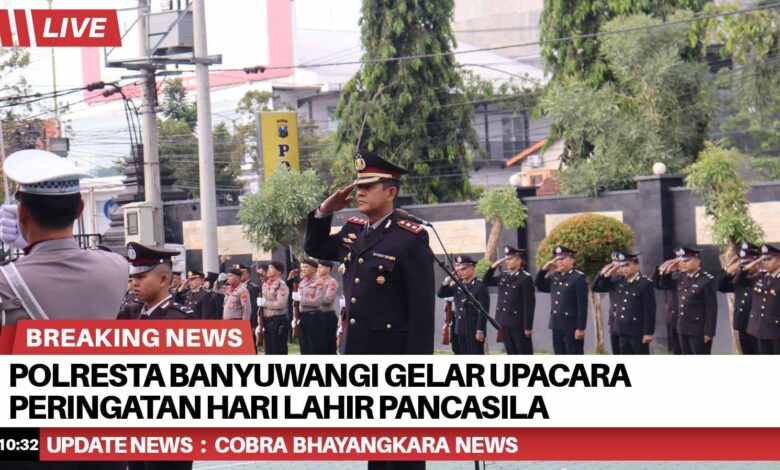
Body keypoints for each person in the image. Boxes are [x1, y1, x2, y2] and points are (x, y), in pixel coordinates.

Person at [304, 149, 435, 356]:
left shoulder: (410, 238)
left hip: (389, 351)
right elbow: (315, 247)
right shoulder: (353, 230)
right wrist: (324, 210)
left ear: (390, 193)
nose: (359, 193)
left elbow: (422, 313)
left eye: (368, 187)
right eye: (358, 187)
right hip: (352, 348)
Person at [0, 149, 128, 327]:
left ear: (21, 212)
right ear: (80, 209)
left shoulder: (5, 282)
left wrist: (28, 247)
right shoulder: (117, 266)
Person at [654, 247, 717, 355]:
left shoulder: (706, 280)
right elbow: (663, 284)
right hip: (683, 327)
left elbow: (711, 309)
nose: (683, 263)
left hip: (698, 329)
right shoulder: (681, 277)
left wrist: (709, 332)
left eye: (687, 260)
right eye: (681, 261)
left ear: (697, 261)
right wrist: (668, 271)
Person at [592, 251, 656, 354]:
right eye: (622, 266)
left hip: (637, 331)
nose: (624, 269)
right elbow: (596, 288)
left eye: (627, 265)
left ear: (636, 266)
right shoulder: (620, 281)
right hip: (621, 330)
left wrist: (648, 332)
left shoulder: (644, 284)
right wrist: (604, 275)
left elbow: (649, 311)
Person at [534, 245, 588, 355]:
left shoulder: (578, 277)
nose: (559, 262)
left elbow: (582, 305)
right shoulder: (555, 277)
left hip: (571, 326)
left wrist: (580, 328)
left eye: (562, 259)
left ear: (572, 260)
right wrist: (544, 270)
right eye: (557, 259)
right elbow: (539, 285)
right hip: (556, 324)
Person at [483, 246, 535, 354]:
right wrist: (493, 267)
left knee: (523, 352)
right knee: (510, 352)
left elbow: (529, 304)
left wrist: (527, 326)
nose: (507, 261)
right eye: (506, 259)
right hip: (504, 322)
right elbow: (485, 281)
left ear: (519, 260)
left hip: (518, 323)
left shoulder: (525, 278)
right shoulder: (504, 275)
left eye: (510, 259)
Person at [126, 243, 196, 321]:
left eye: (140, 277)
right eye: (134, 277)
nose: (134, 283)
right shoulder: (133, 313)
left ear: (163, 280)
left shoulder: (180, 319)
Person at [437, 255, 490, 355]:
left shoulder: (480, 286)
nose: (460, 272)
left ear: (472, 269)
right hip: (460, 328)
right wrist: (448, 280)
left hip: (474, 328)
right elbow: (441, 294)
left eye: (463, 269)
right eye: (459, 269)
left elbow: (483, 311)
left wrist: (480, 329)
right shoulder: (459, 285)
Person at [719, 242, 761, 355]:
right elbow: (721, 287)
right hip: (743, 324)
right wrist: (727, 270)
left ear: (757, 262)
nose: (745, 266)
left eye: (748, 263)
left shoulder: (762, 278)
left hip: (759, 325)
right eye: (743, 263)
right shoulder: (739, 279)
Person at [745, 244, 780, 354]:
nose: (766, 262)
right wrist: (749, 266)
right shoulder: (760, 277)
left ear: (779, 261)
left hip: (776, 330)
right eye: (764, 259)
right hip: (761, 330)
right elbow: (738, 281)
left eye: (769, 259)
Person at [259, 260, 289, 355]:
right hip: (266, 321)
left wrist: (265, 303)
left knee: (278, 349)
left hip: (277, 320)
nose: (269, 270)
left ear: (279, 272)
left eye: (272, 268)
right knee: (269, 350)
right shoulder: (265, 285)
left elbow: (281, 304)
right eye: (269, 268)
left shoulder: (281, 286)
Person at [295, 257, 319, 354]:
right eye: (303, 267)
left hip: (314, 317)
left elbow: (317, 302)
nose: (303, 269)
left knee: (313, 346)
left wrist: (301, 299)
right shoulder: (302, 283)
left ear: (314, 269)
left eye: (306, 267)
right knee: (304, 346)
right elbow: (296, 303)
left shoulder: (319, 282)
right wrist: (295, 317)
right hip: (302, 316)